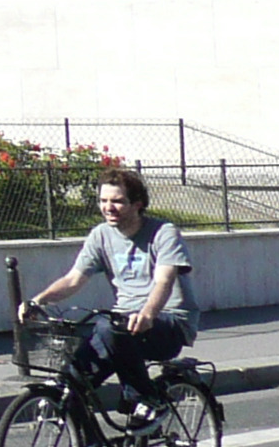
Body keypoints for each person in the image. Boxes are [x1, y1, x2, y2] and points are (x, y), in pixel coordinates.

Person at [22, 168, 194, 427]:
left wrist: (148, 314)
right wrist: (38, 301)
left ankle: (147, 399)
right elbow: (73, 280)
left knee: (108, 327)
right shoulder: (101, 235)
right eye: (103, 201)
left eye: (117, 201)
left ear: (137, 204)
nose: (108, 207)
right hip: (120, 326)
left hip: (167, 322)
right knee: (74, 384)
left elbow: (164, 281)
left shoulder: (163, 232)